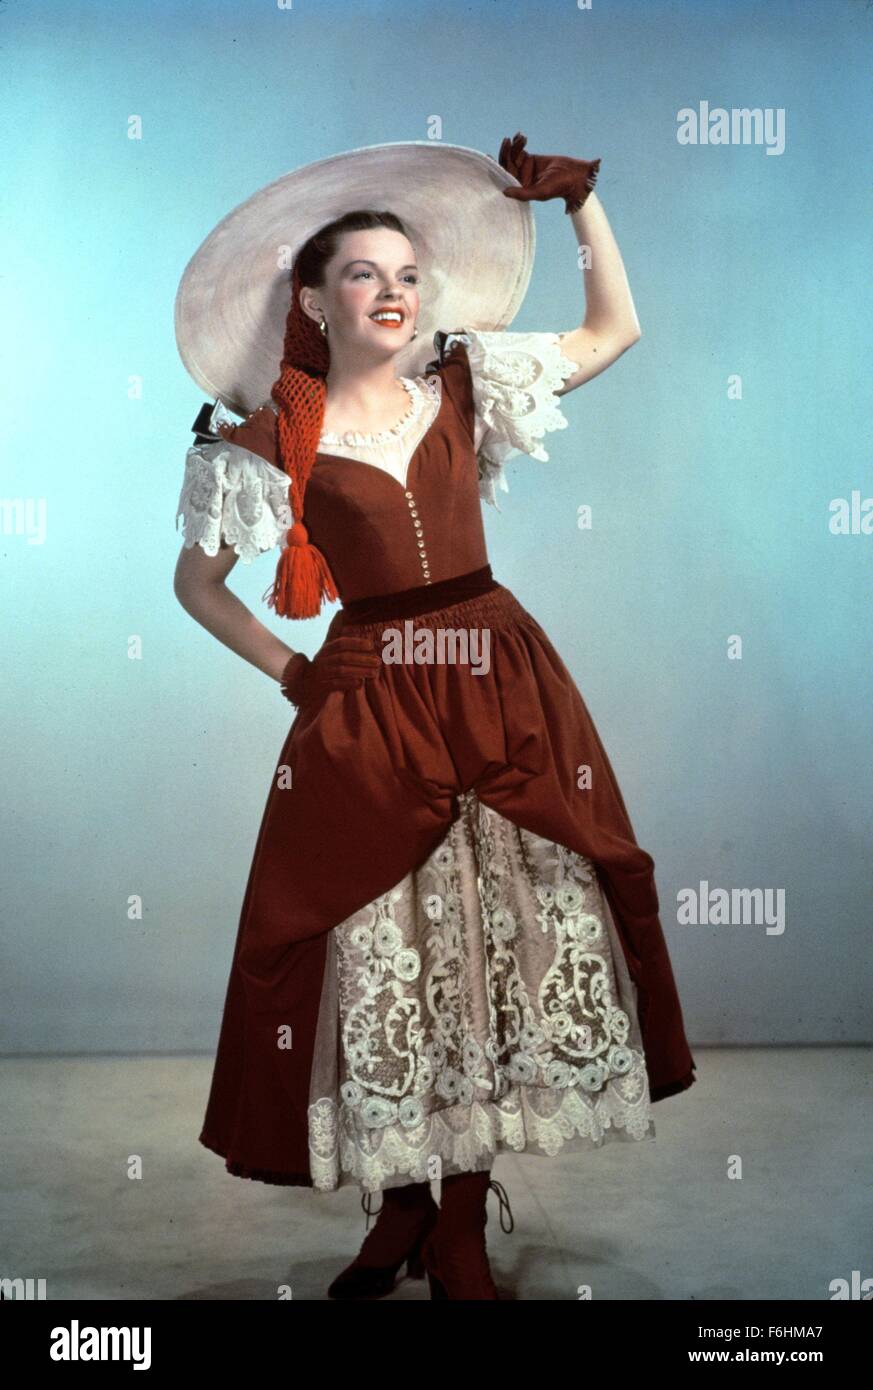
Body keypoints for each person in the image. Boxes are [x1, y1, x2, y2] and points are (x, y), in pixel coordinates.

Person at [173, 132, 696, 1301]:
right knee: (385, 954)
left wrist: (583, 212)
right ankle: (398, 1206)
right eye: (365, 273)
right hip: (367, 711)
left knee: (493, 944)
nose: (394, 292)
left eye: (408, 273)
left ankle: (462, 1220)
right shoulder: (269, 441)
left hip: (498, 680)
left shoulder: (464, 386)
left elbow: (614, 332)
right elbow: (197, 585)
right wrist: (294, 673)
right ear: (314, 297)